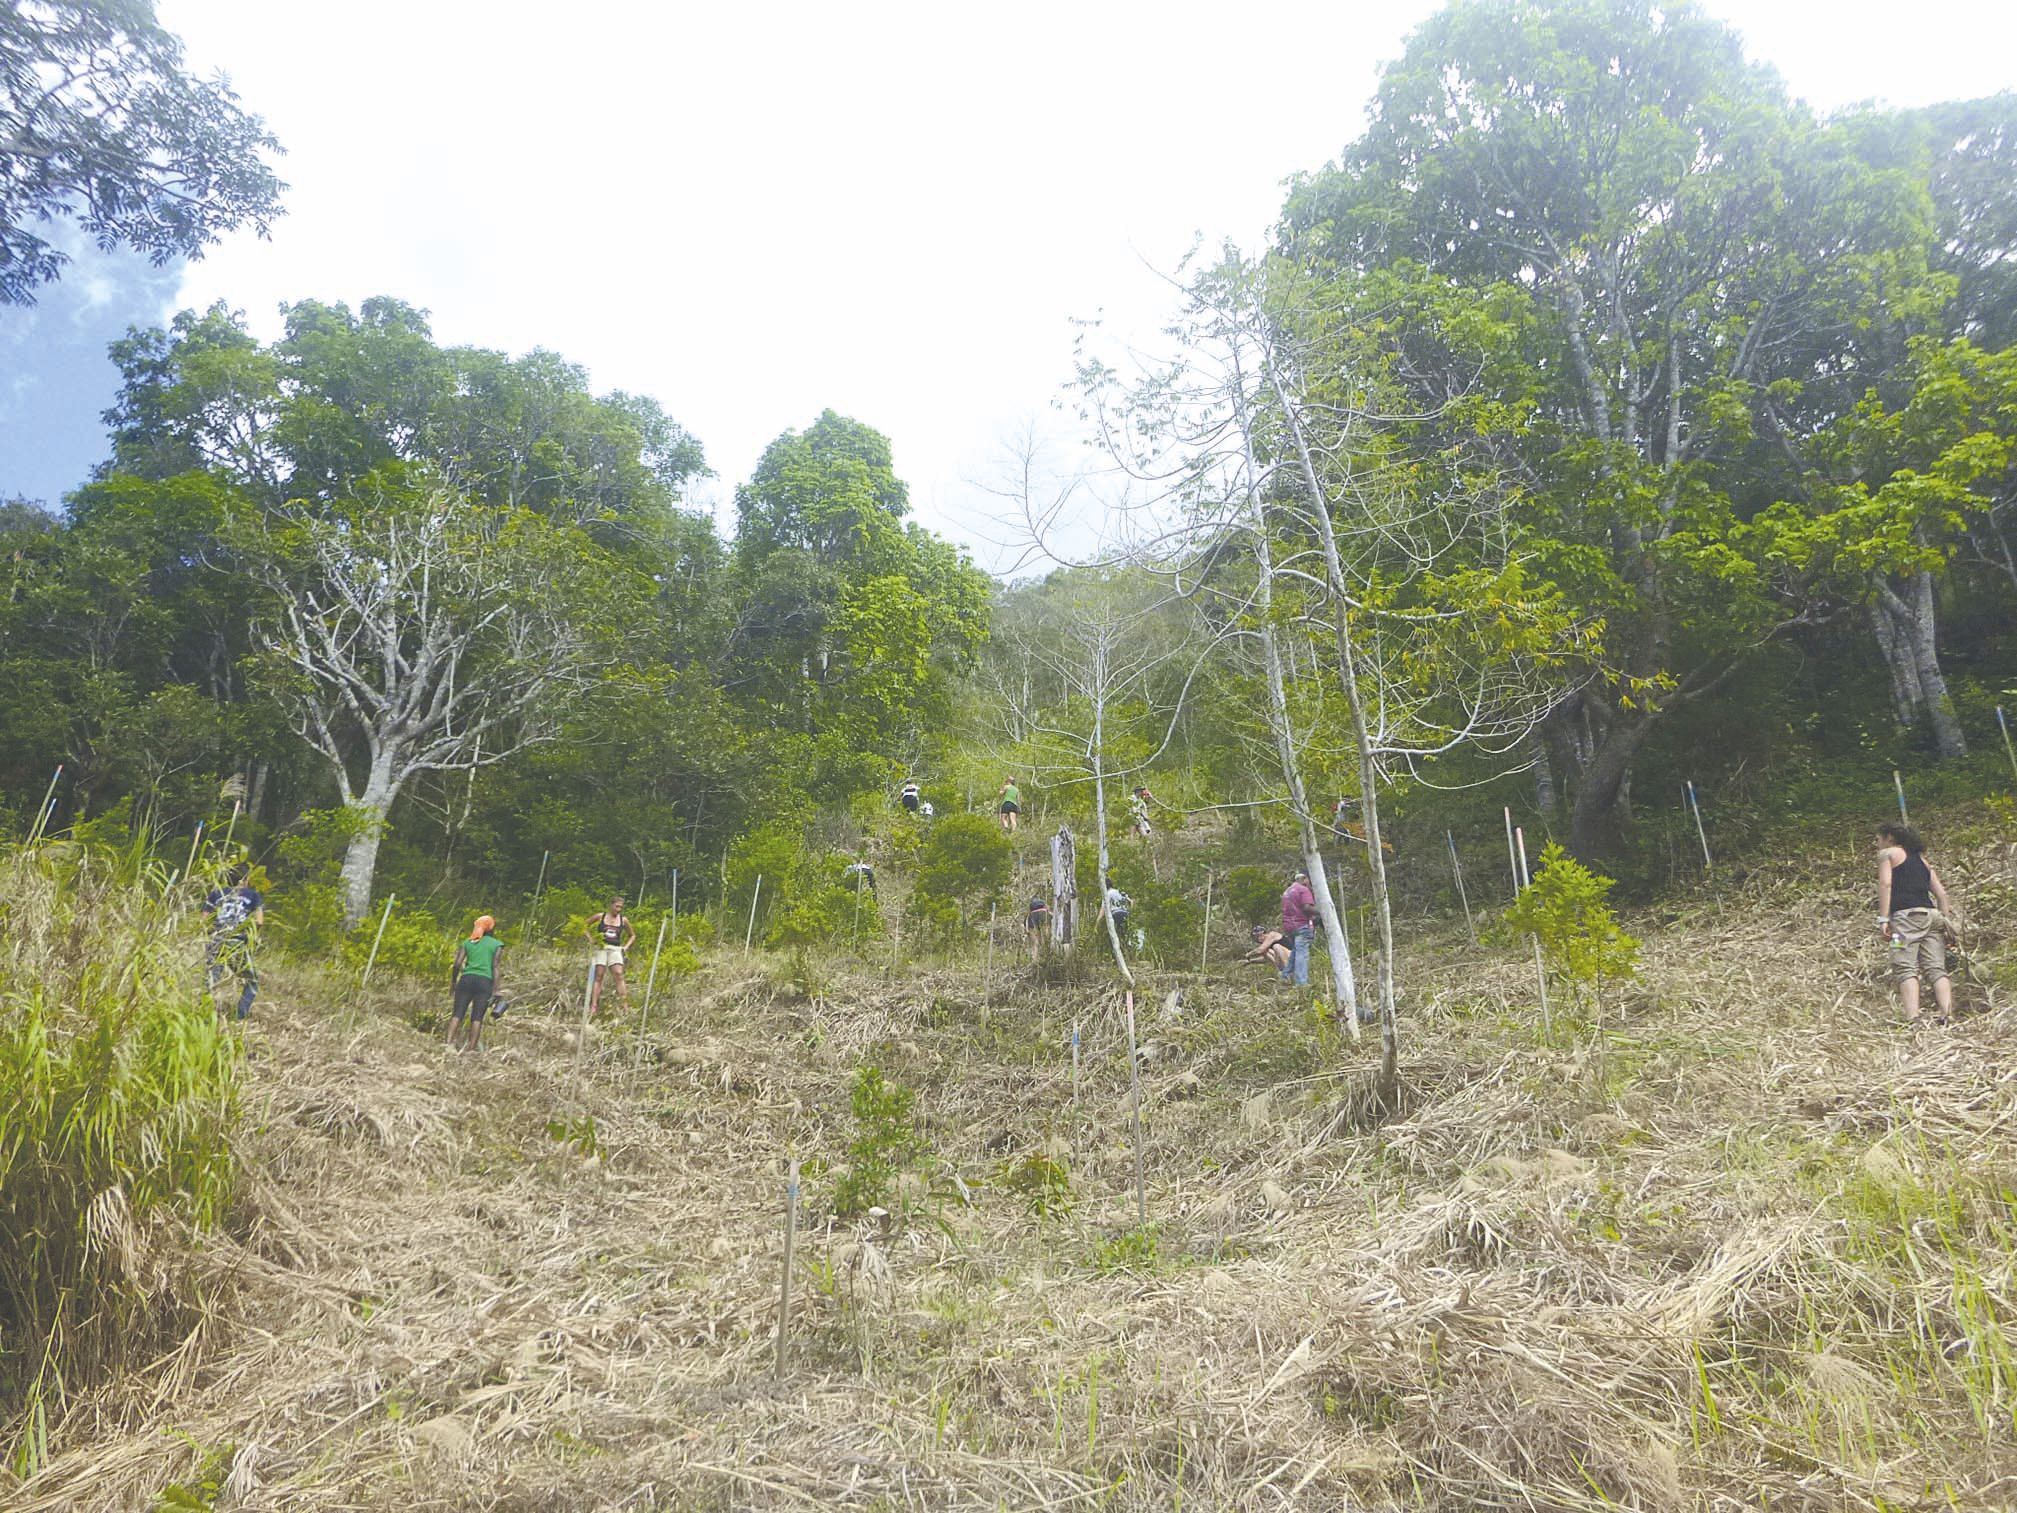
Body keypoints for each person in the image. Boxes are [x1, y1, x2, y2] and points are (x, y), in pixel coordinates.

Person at [1876, 822, 1959, 1024]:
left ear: (1890, 838)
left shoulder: (1887, 854)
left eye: (1878, 838)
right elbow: (1941, 894)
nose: (1876, 843)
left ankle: (1913, 1017)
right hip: (1932, 917)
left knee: (1904, 966)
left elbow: (1886, 883)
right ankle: (1947, 1015)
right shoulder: (1921, 860)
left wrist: (1884, 919)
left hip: (1903, 920)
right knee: (1936, 968)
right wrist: (1945, 922)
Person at [201, 862, 264, 1020]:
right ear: (246, 878)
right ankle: (239, 1016)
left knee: (211, 981)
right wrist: (249, 937)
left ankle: (204, 1015)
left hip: (216, 940)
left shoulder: (216, 893)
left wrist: (212, 933)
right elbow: (259, 921)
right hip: (237, 942)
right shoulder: (254, 895)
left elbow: (204, 920)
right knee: (252, 981)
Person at [448, 914, 504, 1052]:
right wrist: (496, 989)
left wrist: (454, 982)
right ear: (491, 928)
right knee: (477, 1016)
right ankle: (471, 1049)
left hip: (466, 979)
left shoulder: (468, 942)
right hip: (484, 982)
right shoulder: (497, 944)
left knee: (457, 1013)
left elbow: (457, 964)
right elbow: (495, 966)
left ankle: (448, 1044)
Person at [584, 895, 636, 1017]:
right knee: (599, 975)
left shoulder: (623, 920)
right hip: (601, 947)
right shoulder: (600, 916)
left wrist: (626, 947)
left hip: (616, 949)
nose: (618, 909)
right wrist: (590, 939)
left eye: (621, 907)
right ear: (611, 905)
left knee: (619, 974)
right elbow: (583, 925)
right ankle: (594, 1006)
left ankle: (625, 1007)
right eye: (617, 906)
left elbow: (632, 935)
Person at [1279, 869, 1317, 988]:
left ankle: (1285, 975)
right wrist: (1325, 911)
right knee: (1302, 953)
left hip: (1289, 927)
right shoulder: (1303, 890)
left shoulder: (1288, 891)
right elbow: (1306, 908)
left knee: (1296, 951)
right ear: (1305, 879)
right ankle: (1301, 983)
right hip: (1301, 925)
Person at [1098, 874, 1131, 946]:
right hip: (1125, 914)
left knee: (1114, 937)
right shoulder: (1120, 892)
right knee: (1124, 936)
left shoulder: (1107, 894)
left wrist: (1097, 922)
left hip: (1116, 915)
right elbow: (1131, 901)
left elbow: (1102, 910)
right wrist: (1129, 911)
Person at [1026, 892, 1051, 961]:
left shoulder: (1031, 905)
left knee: (1035, 942)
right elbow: (1048, 909)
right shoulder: (1043, 902)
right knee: (1045, 938)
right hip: (1043, 914)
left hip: (1032, 916)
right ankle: (1046, 956)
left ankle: (1035, 959)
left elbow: (1028, 914)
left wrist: (1027, 929)